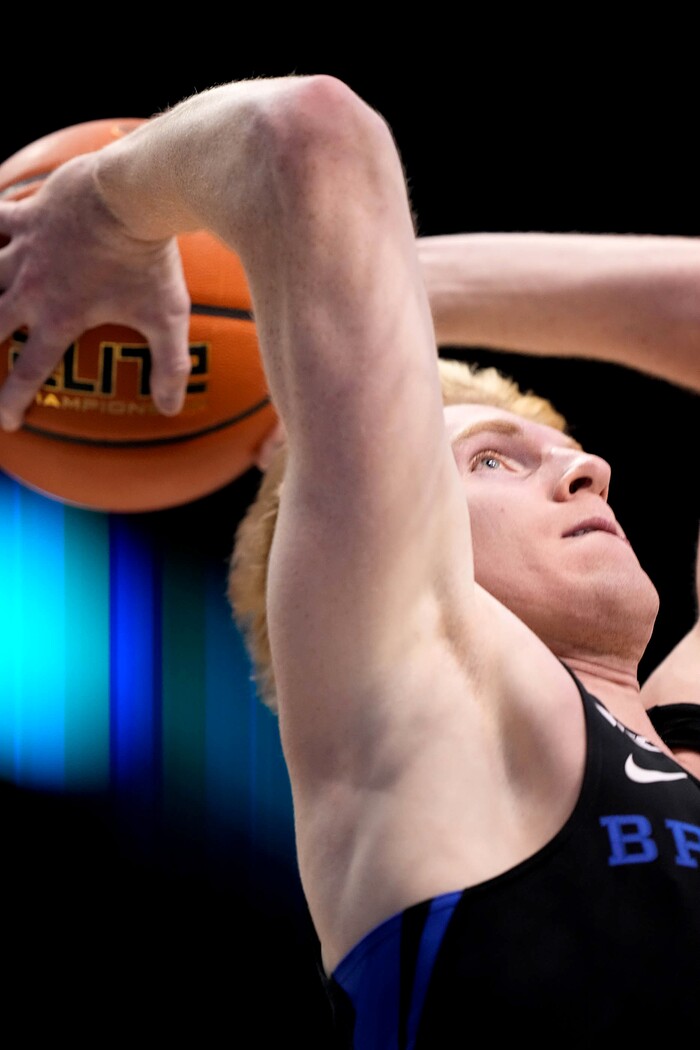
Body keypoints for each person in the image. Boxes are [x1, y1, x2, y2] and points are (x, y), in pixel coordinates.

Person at [0, 75, 699, 1044]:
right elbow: (305, 133)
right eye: (493, 459)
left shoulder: (680, 732)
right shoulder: (432, 718)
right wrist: (102, 206)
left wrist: (368, 286)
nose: (587, 467)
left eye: (562, 452)